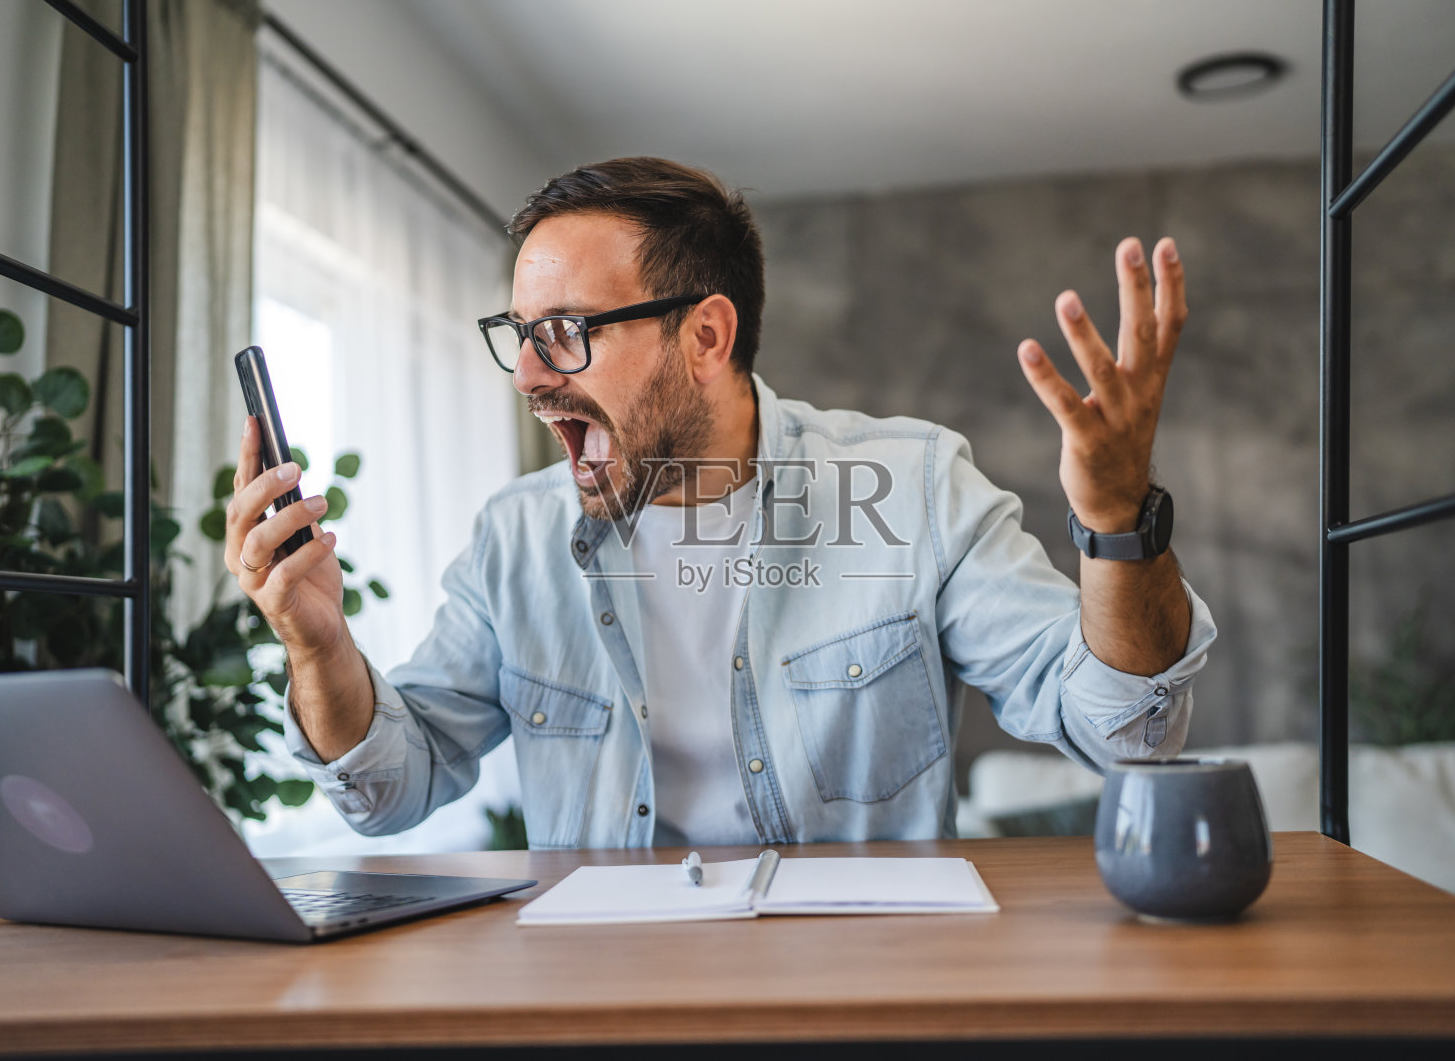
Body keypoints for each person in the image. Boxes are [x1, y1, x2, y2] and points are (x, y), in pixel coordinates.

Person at [225, 157, 1215, 848]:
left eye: (566, 331)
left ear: (704, 336)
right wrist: (319, 645)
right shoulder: (514, 539)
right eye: (519, 333)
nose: (526, 374)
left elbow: (1127, 730)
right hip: (609, 1000)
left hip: (863, 993)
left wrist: (1120, 523)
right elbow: (389, 789)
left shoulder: (911, 489)